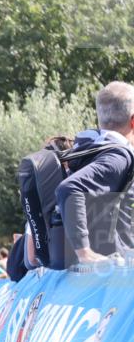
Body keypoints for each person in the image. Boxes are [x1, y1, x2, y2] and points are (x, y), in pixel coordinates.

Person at [58, 81, 134, 263]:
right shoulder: (119, 156)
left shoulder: (88, 149)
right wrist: (85, 253)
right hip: (116, 270)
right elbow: (69, 188)